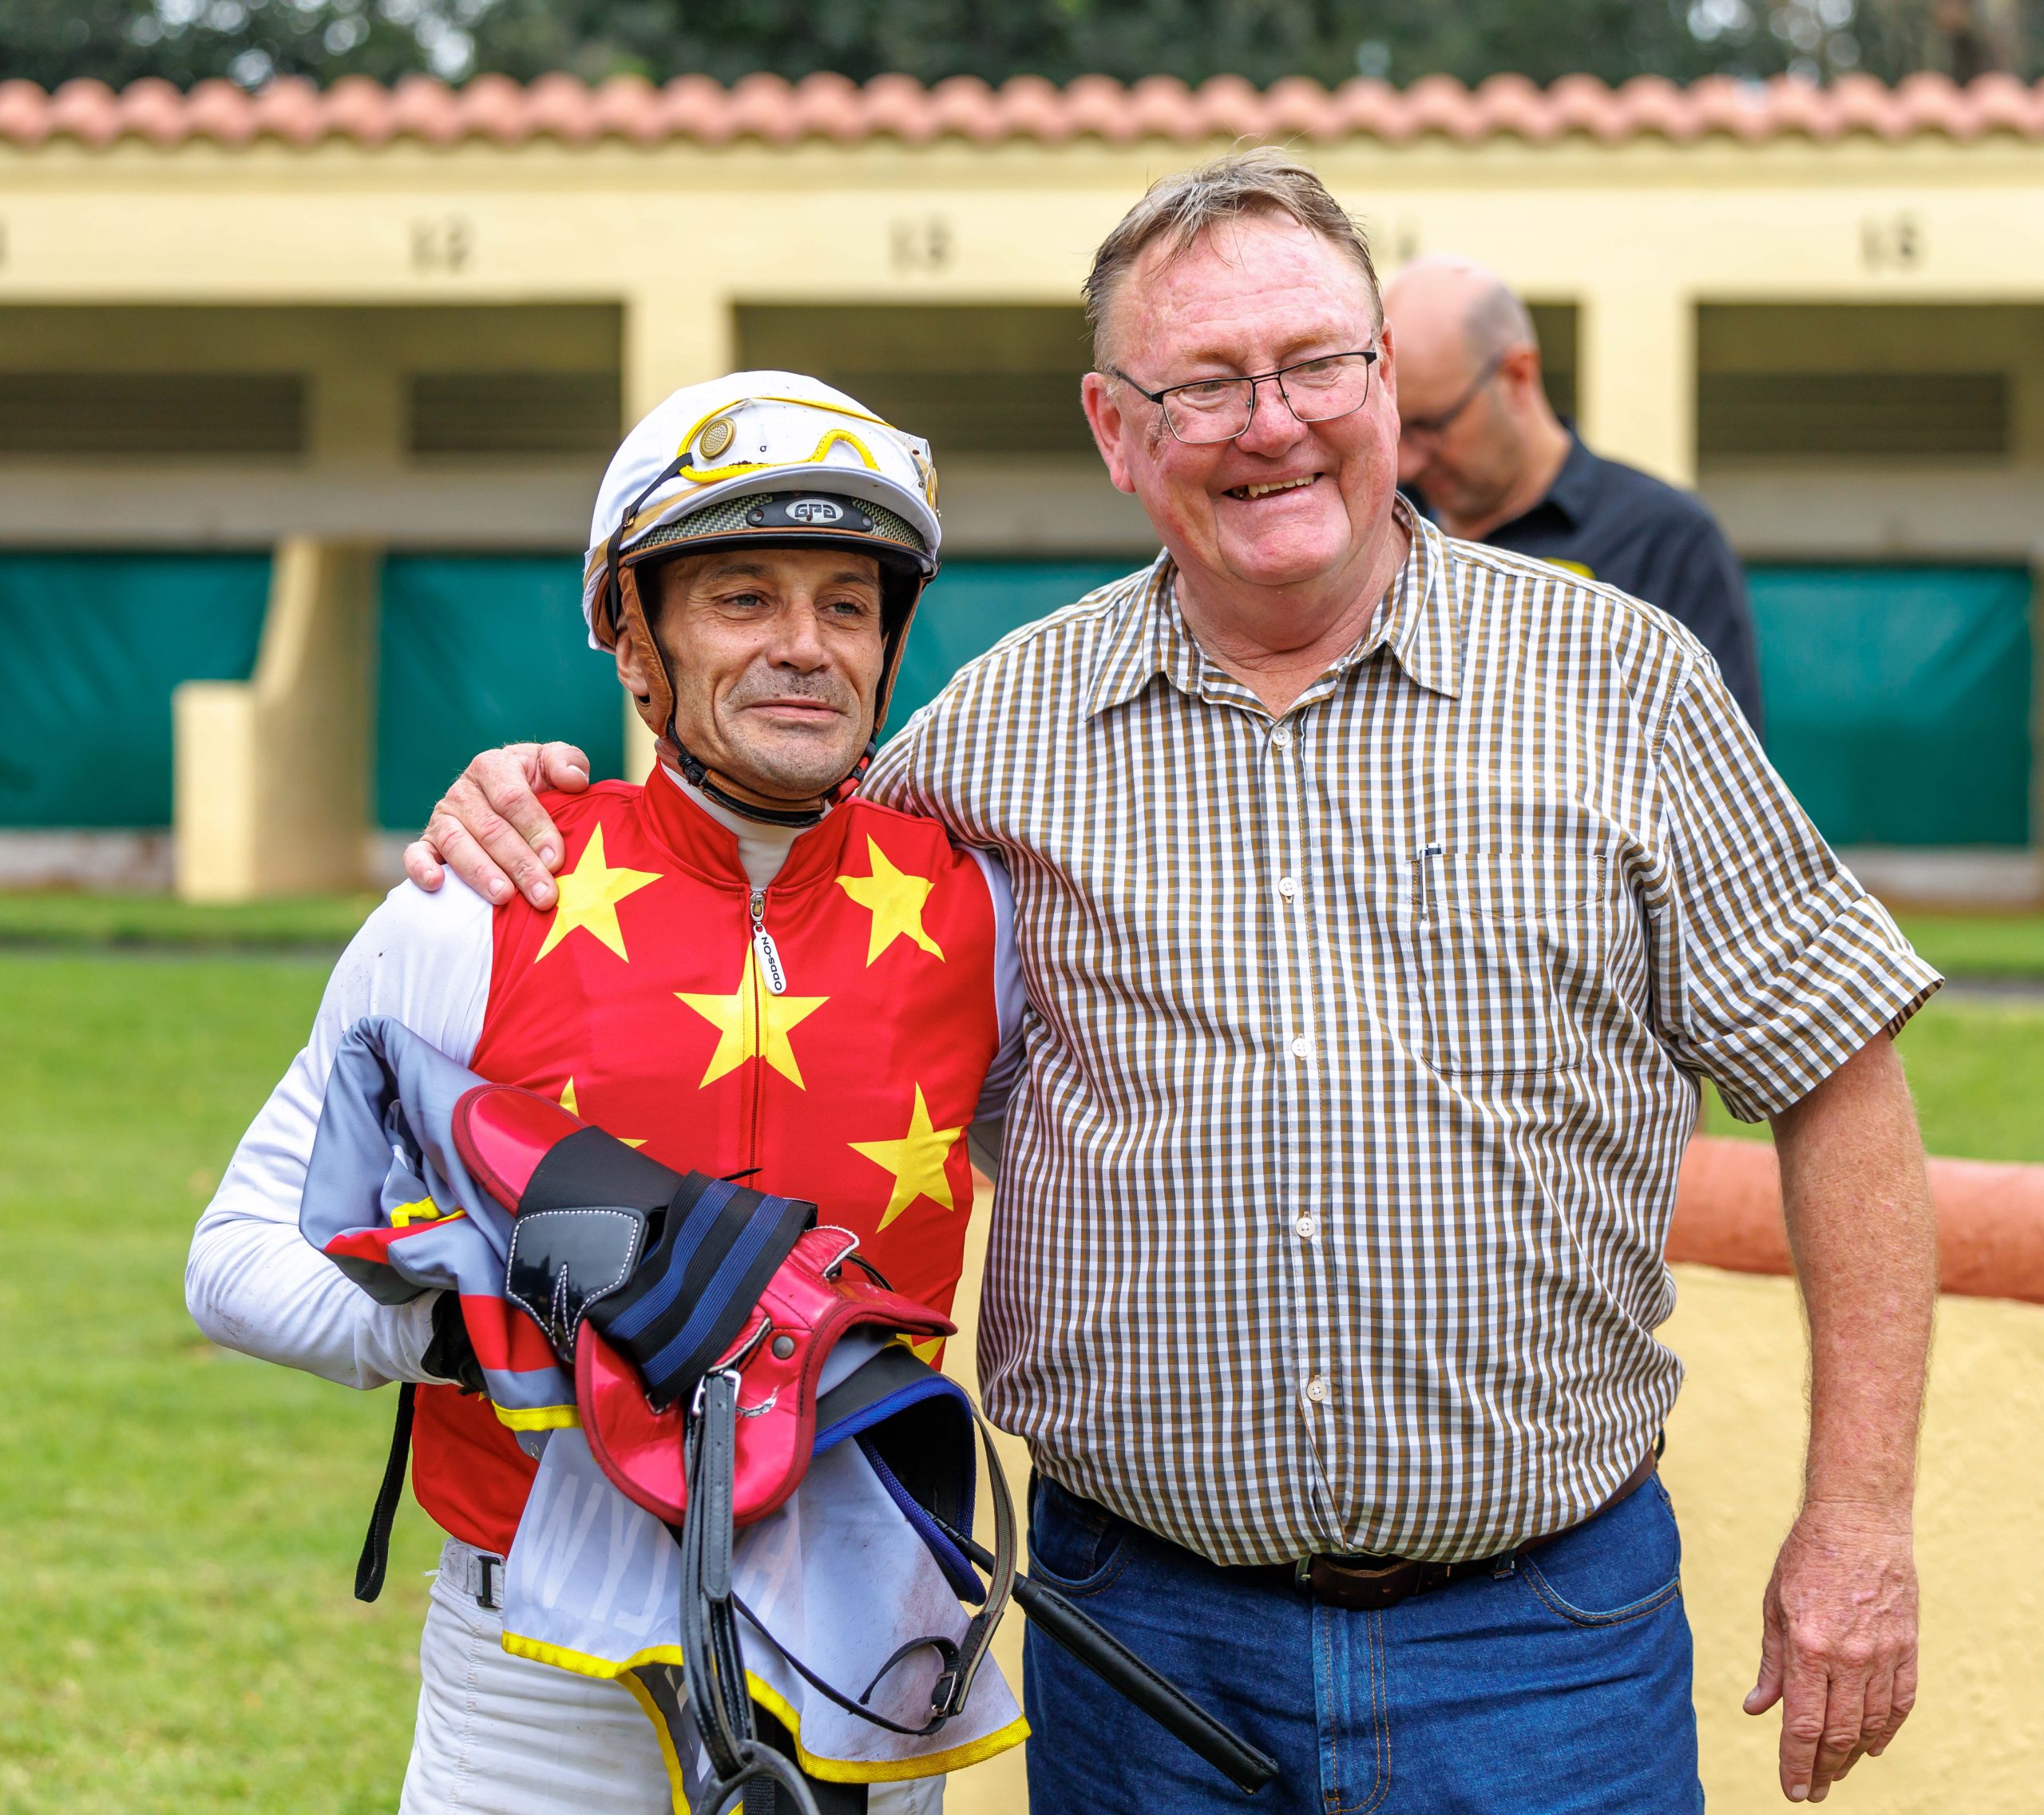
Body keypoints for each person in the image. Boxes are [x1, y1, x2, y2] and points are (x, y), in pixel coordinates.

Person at [407, 153, 1939, 1813]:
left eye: (1312, 365)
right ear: (1113, 429)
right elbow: (744, 846)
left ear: (1380, 382)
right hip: (1140, 1636)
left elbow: (1835, 1067)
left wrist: (1855, 1515)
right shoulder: (981, 747)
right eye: (1200, 384)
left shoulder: (1619, 679)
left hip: (1545, 1638)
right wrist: (529, 790)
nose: (1266, 422)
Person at [186, 371, 1032, 1814]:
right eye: (742, 598)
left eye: (847, 602)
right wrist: (473, 1329)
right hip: (536, 1657)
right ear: (632, 642)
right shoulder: (479, 897)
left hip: (866, 1633)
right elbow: (235, 1259)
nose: (805, 647)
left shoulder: (985, 913)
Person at [1385, 253, 1765, 730]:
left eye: (1431, 426)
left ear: (1518, 376)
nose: (1408, 461)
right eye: (1395, 426)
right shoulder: (1385, 526)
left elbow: (1714, 771)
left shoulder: (1663, 539)